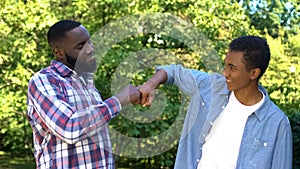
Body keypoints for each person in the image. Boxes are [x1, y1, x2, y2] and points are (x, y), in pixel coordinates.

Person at [138, 35, 293, 169]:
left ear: (254, 73)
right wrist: (151, 84)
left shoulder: (277, 123)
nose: (225, 73)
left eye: (232, 68)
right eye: (225, 65)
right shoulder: (210, 87)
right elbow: (172, 72)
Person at [26, 20, 141, 169]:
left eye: (90, 42)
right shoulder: (44, 80)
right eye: (81, 46)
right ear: (58, 52)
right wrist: (118, 101)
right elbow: (69, 128)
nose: (90, 49)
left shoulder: (87, 83)